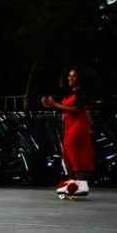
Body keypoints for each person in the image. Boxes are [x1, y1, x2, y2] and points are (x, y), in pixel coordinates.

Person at [41, 68, 94, 199]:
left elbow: (74, 109)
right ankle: (72, 182)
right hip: (70, 126)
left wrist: (54, 105)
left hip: (79, 126)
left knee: (76, 153)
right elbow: (64, 108)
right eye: (69, 76)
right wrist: (51, 105)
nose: (70, 78)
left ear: (80, 78)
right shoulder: (70, 93)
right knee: (67, 154)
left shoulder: (82, 93)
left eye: (74, 76)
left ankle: (81, 184)